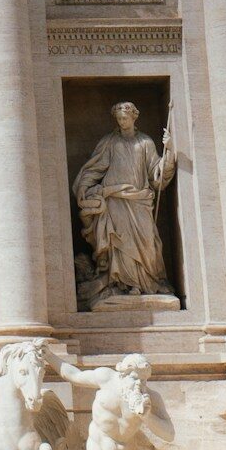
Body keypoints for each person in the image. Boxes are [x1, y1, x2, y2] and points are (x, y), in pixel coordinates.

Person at [73, 102, 176, 301]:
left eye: (125, 118)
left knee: (148, 244)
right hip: (115, 201)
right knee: (120, 243)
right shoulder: (109, 142)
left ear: (134, 118)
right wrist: (84, 186)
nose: (122, 122)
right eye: (119, 119)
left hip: (139, 200)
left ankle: (149, 281)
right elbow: (96, 168)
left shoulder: (145, 142)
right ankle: (125, 284)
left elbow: (156, 174)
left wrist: (169, 152)